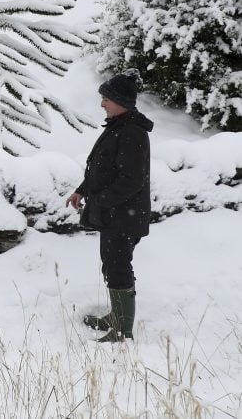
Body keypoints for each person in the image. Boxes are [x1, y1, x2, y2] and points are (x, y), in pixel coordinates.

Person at [65, 69, 153, 342]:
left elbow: (131, 180)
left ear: (121, 102)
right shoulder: (119, 127)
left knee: (118, 266)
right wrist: (83, 189)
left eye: (106, 99)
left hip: (124, 217)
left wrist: (99, 200)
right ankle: (117, 316)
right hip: (116, 214)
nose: (102, 104)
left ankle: (122, 329)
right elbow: (104, 169)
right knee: (112, 264)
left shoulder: (132, 133)